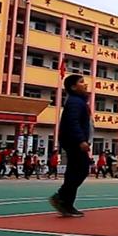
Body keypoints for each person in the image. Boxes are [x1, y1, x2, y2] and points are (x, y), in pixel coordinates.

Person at [49, 75, 91, 217]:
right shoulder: (74, 102)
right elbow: (73, 122)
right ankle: (62, 197)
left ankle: (66, 203)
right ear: (73, 87)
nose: (85, 84)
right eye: (81, 82)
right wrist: (81, 140)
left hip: (73, 140)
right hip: (74, 141)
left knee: (74, 171)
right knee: (81, 169)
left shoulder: (78, 101)